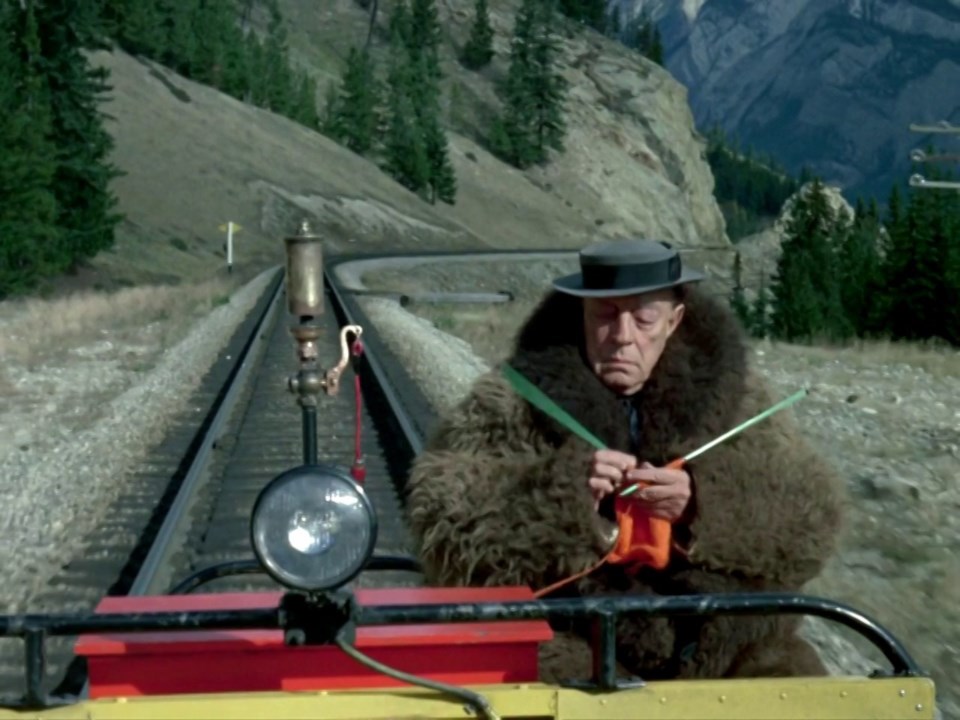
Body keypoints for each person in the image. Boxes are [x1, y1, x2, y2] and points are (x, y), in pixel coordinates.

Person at [404, 238, 845, 683]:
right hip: (571, 640)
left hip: (728, 645)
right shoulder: (512, 398)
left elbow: (812, 517)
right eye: (606, 316)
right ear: (581, 314)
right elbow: (440, 514)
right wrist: (564, 496)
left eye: (644, 319)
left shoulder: (741, 401)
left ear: (674, 321)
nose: (622, 337)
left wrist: (702, 506)